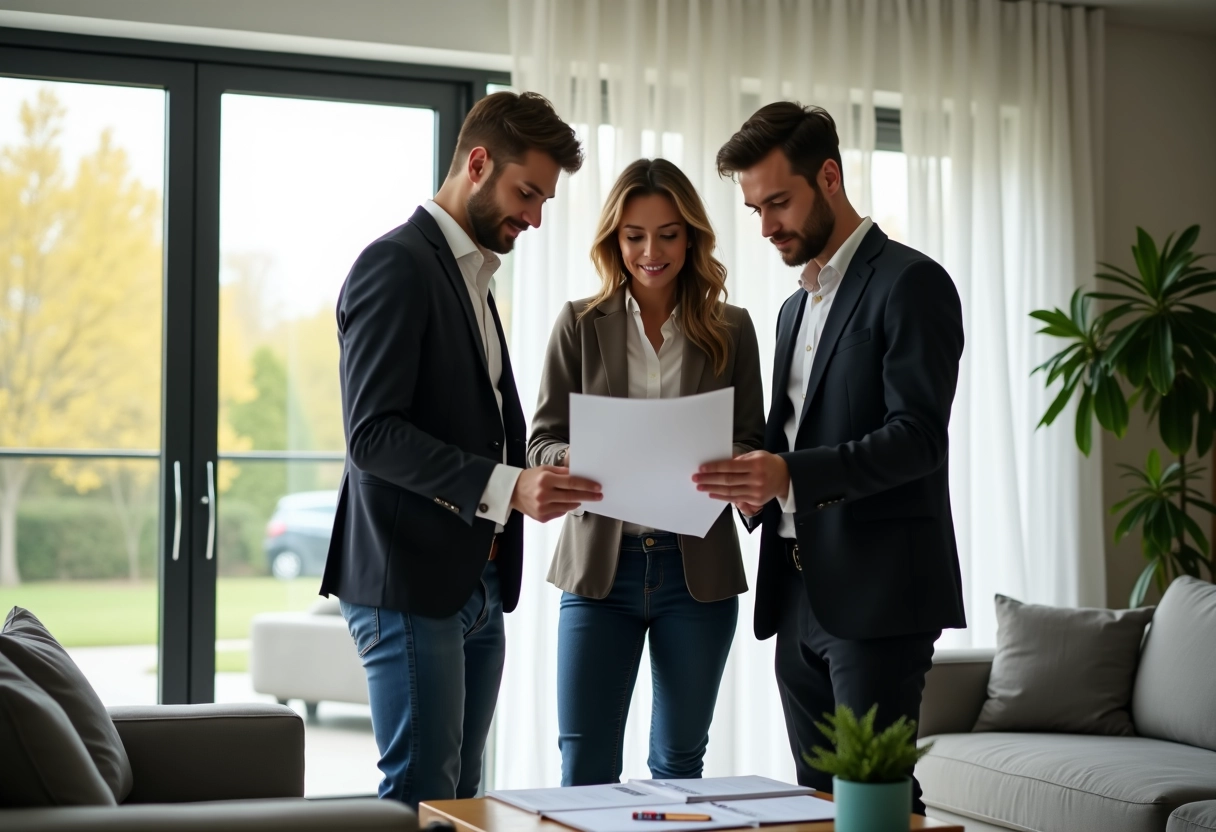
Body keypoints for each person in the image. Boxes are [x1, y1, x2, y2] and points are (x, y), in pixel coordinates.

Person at [319, 91, 603, 808]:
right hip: (409, 585)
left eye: (543, 199)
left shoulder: (472, 277)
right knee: (420, 796)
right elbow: (372, 436)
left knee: (461, 803)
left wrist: (538, 468)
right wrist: (508, 487)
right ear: (477, 163)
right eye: (527, 192)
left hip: (473, 585)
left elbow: (465, 422)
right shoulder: (395, 265)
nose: (536, 216)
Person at [694, 103, 966, 814]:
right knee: (813, 806)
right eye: (755, 209)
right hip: (796, 592)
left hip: (879, 595)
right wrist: (755, 483)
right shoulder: (792, 309)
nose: (766, 226)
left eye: (778, 202)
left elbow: (918, 438)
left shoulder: (911, 283)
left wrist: (792, 474)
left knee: (874, 803)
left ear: (830, 177)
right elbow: (794, 441)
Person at [529, 158, 766, 786]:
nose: (650, 251)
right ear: (616, 239)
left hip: (698, 573)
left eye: (667, 233)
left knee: (680, 762)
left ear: (691, 238)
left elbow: (752, 438)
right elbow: (541, 441)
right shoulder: (580, 323)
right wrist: (568, 460)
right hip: (600, 572)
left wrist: (738, 467)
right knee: (584, 764)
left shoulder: (732, 328)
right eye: (634, 235)